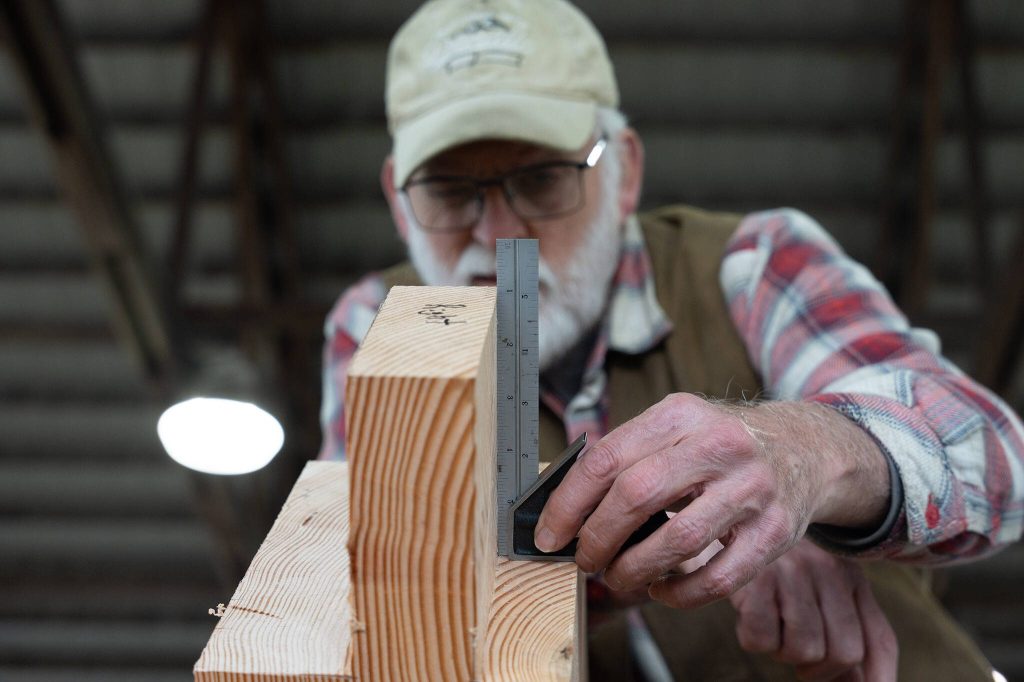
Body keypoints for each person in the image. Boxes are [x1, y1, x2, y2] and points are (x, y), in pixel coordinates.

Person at [319, 0, 1024, 679]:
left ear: (622, 171)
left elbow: (993, 455)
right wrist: (660, 551)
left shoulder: (753, 262)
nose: (497, 233)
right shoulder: (378, 324)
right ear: (396, 199)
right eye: (447, 191)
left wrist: (808, 464)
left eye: (540, 181)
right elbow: (374, 593)